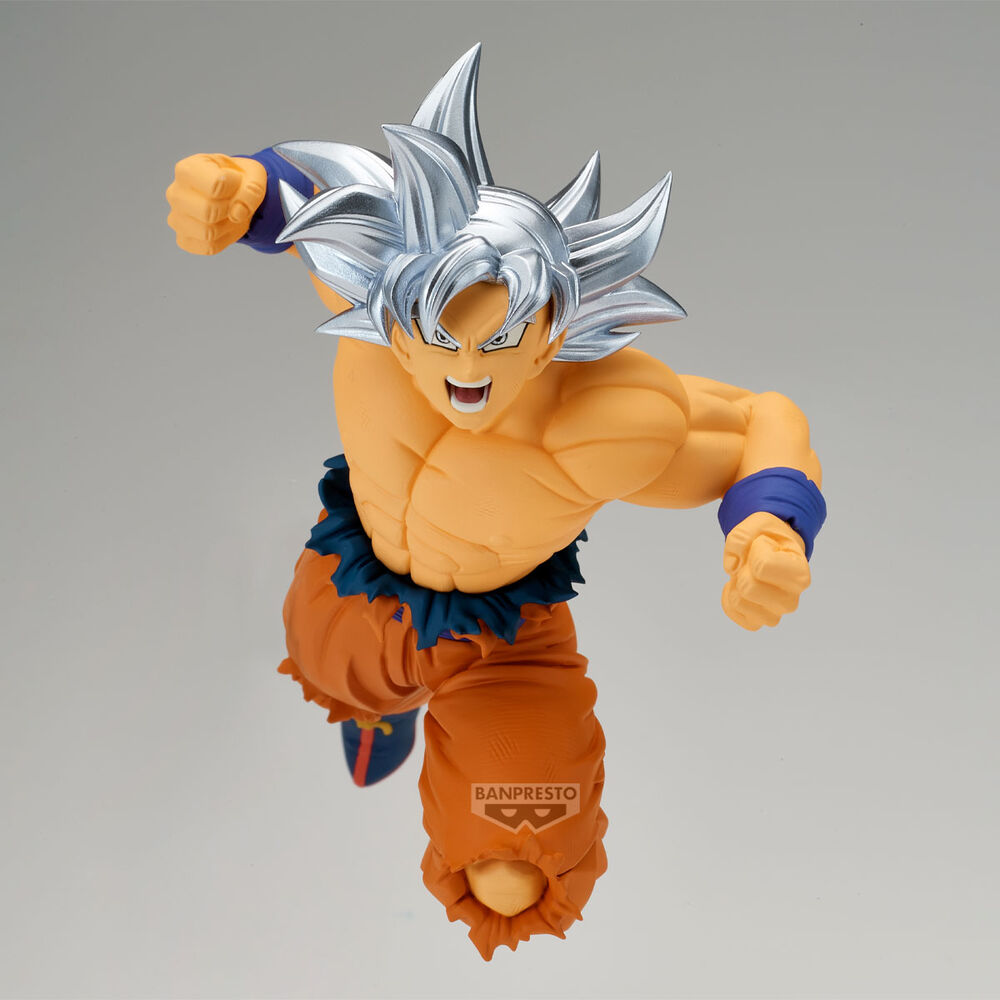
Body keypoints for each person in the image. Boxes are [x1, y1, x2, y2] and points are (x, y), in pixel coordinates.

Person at [166, 45, 825, 959]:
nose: (468, 370)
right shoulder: (380, 297)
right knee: (339, 671)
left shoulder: (594, 419)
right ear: (401, 317)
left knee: (513, 872)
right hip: (350, 578)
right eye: (443, 338)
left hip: (502, 642)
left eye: (502, 339)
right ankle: (382, 709)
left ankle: (413, 718)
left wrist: (770, 524)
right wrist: (237, 188)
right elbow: (305, 193)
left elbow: (759, 418)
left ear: (552, 327)